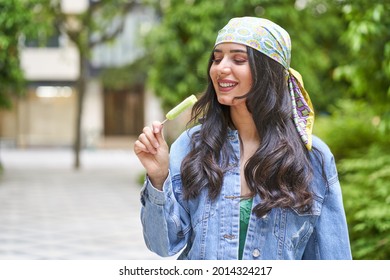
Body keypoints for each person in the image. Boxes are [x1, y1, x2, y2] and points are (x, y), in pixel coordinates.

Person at [134, 16, 352, 260]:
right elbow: (164, 245)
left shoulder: (313, 157)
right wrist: (158, 177)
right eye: (216, 59)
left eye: (238, 59)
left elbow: (333, 257)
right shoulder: (190, 145)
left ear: (267, 71)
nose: (220, 68)